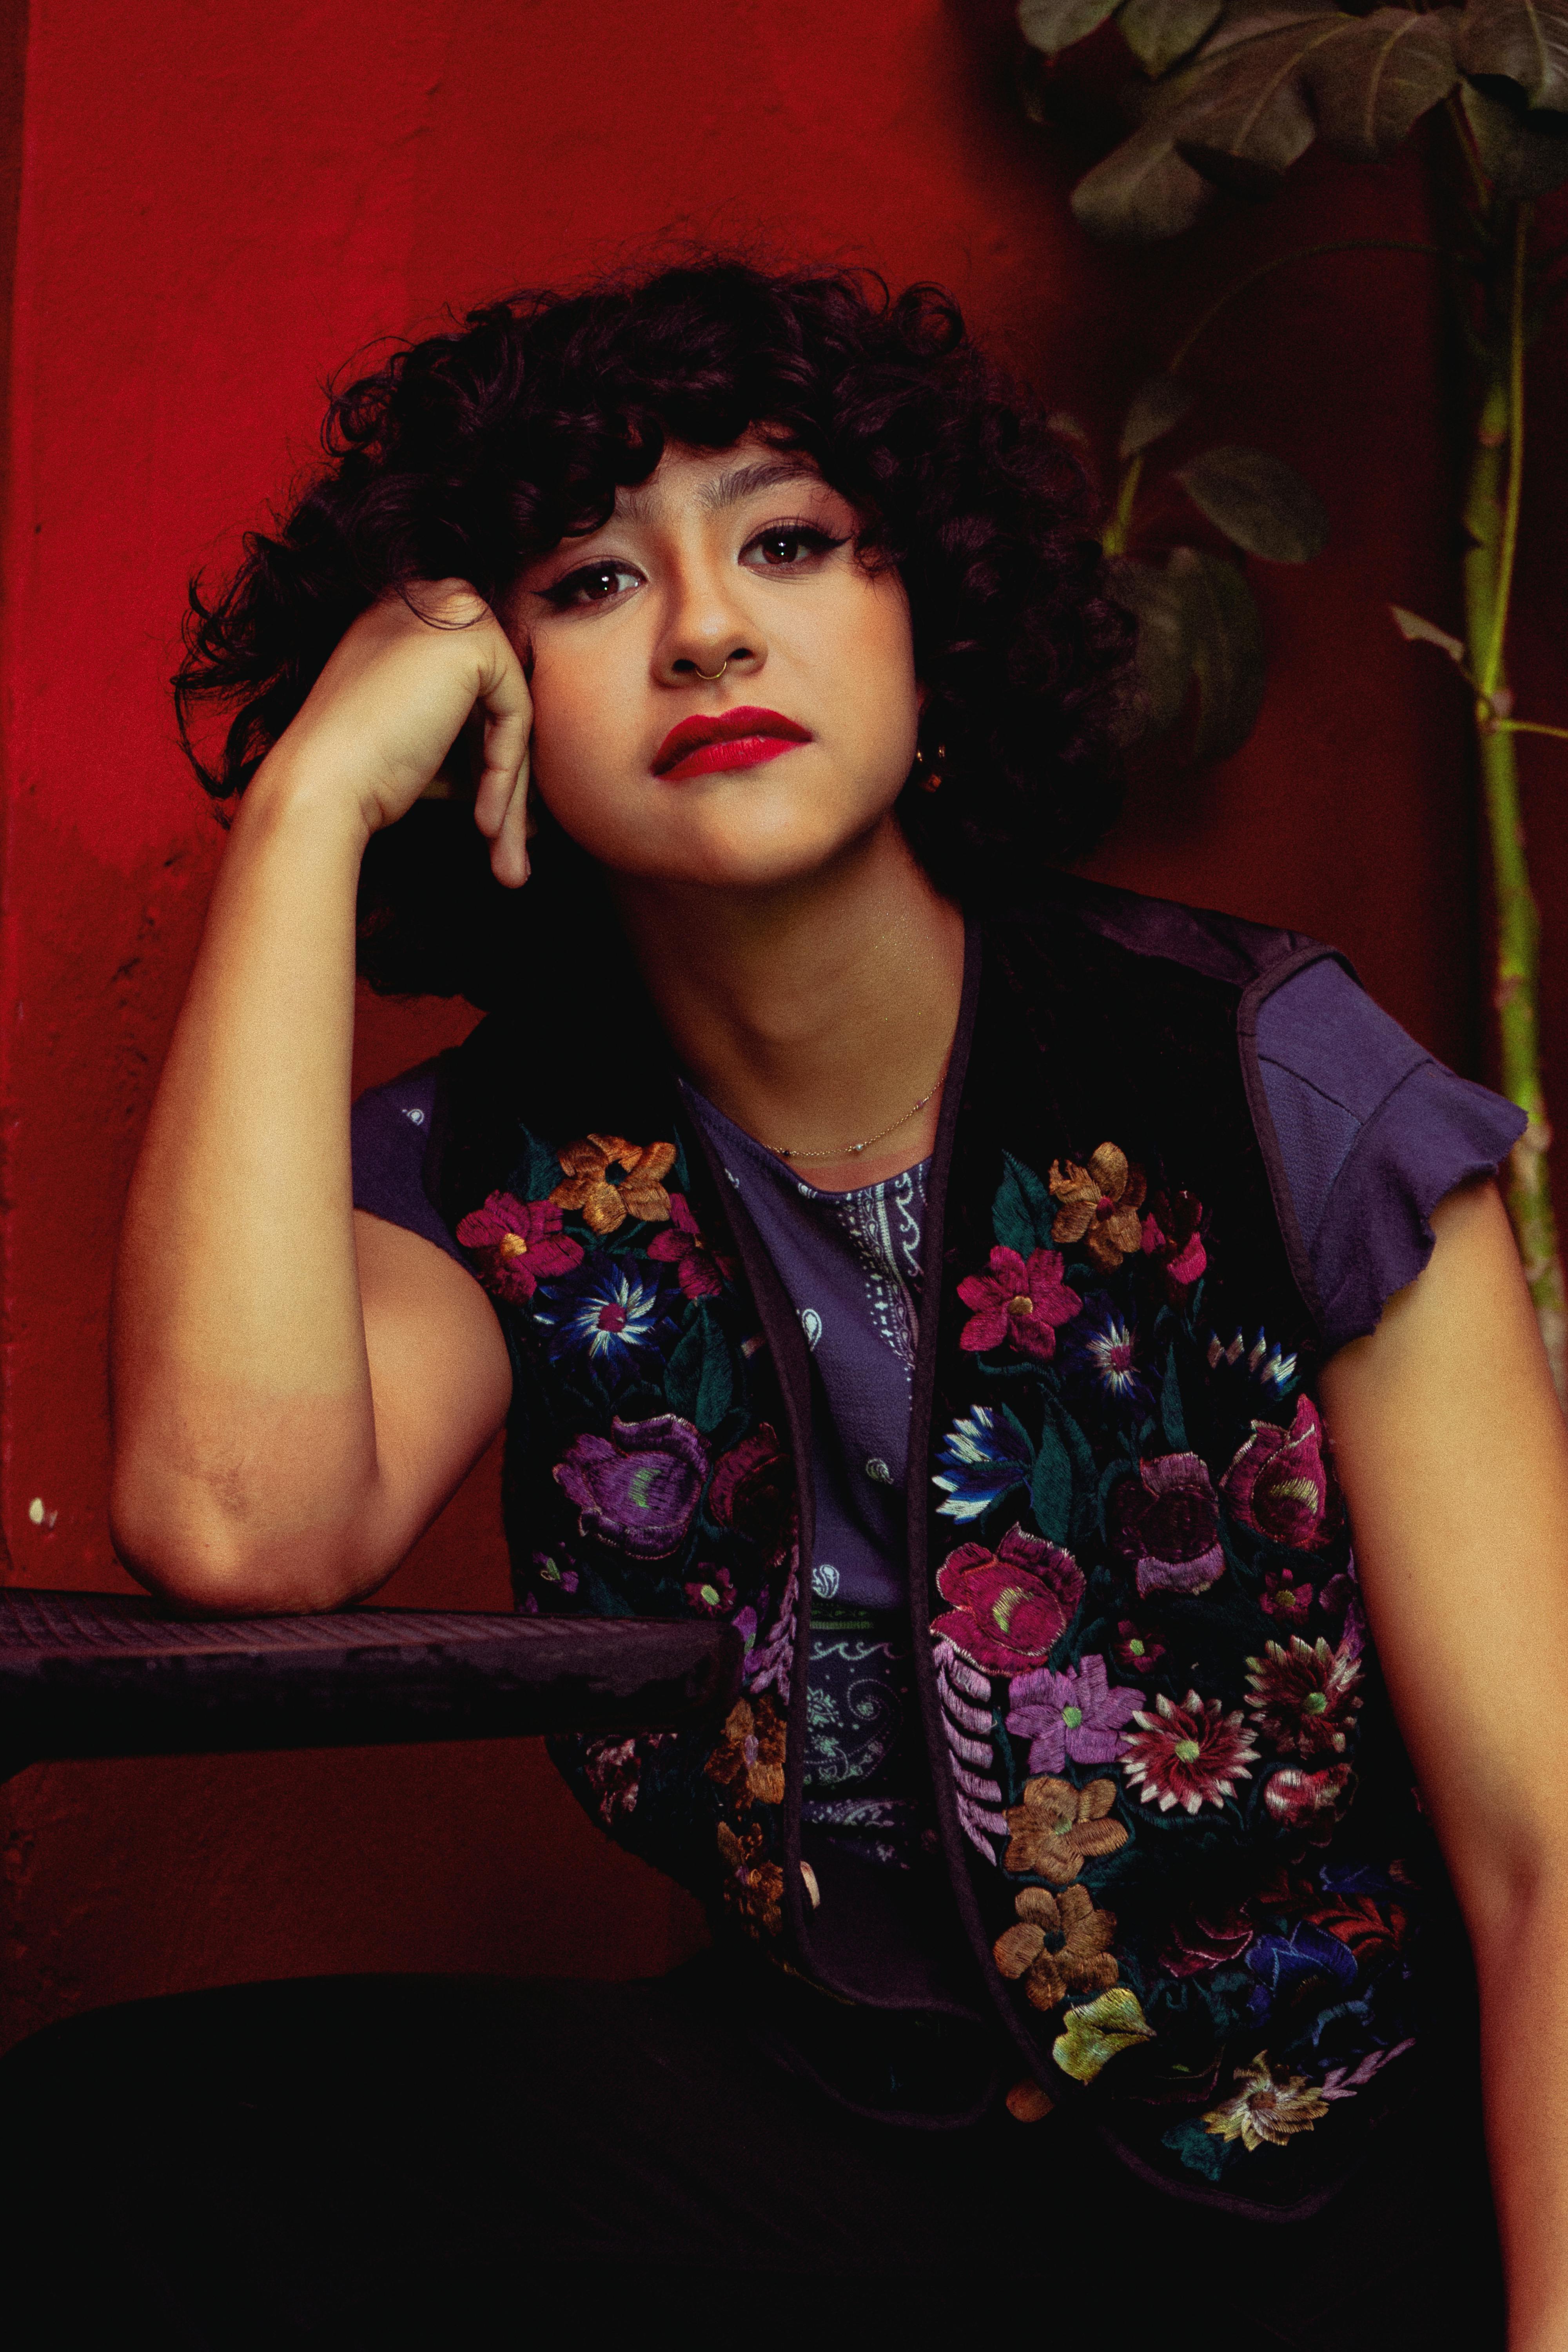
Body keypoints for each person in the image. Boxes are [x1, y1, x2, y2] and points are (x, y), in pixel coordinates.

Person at [3, 260, 1559, 2346]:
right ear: (491, 715)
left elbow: (1549, 1856)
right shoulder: (508, 1163)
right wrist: (306, 812)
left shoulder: (1268, 1078)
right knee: (105, 2155)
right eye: (589, 583)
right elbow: (231, 1522)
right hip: (850, 2149)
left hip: (1318, 2187)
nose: (707, 629)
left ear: (935, 620)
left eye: (793, 542)